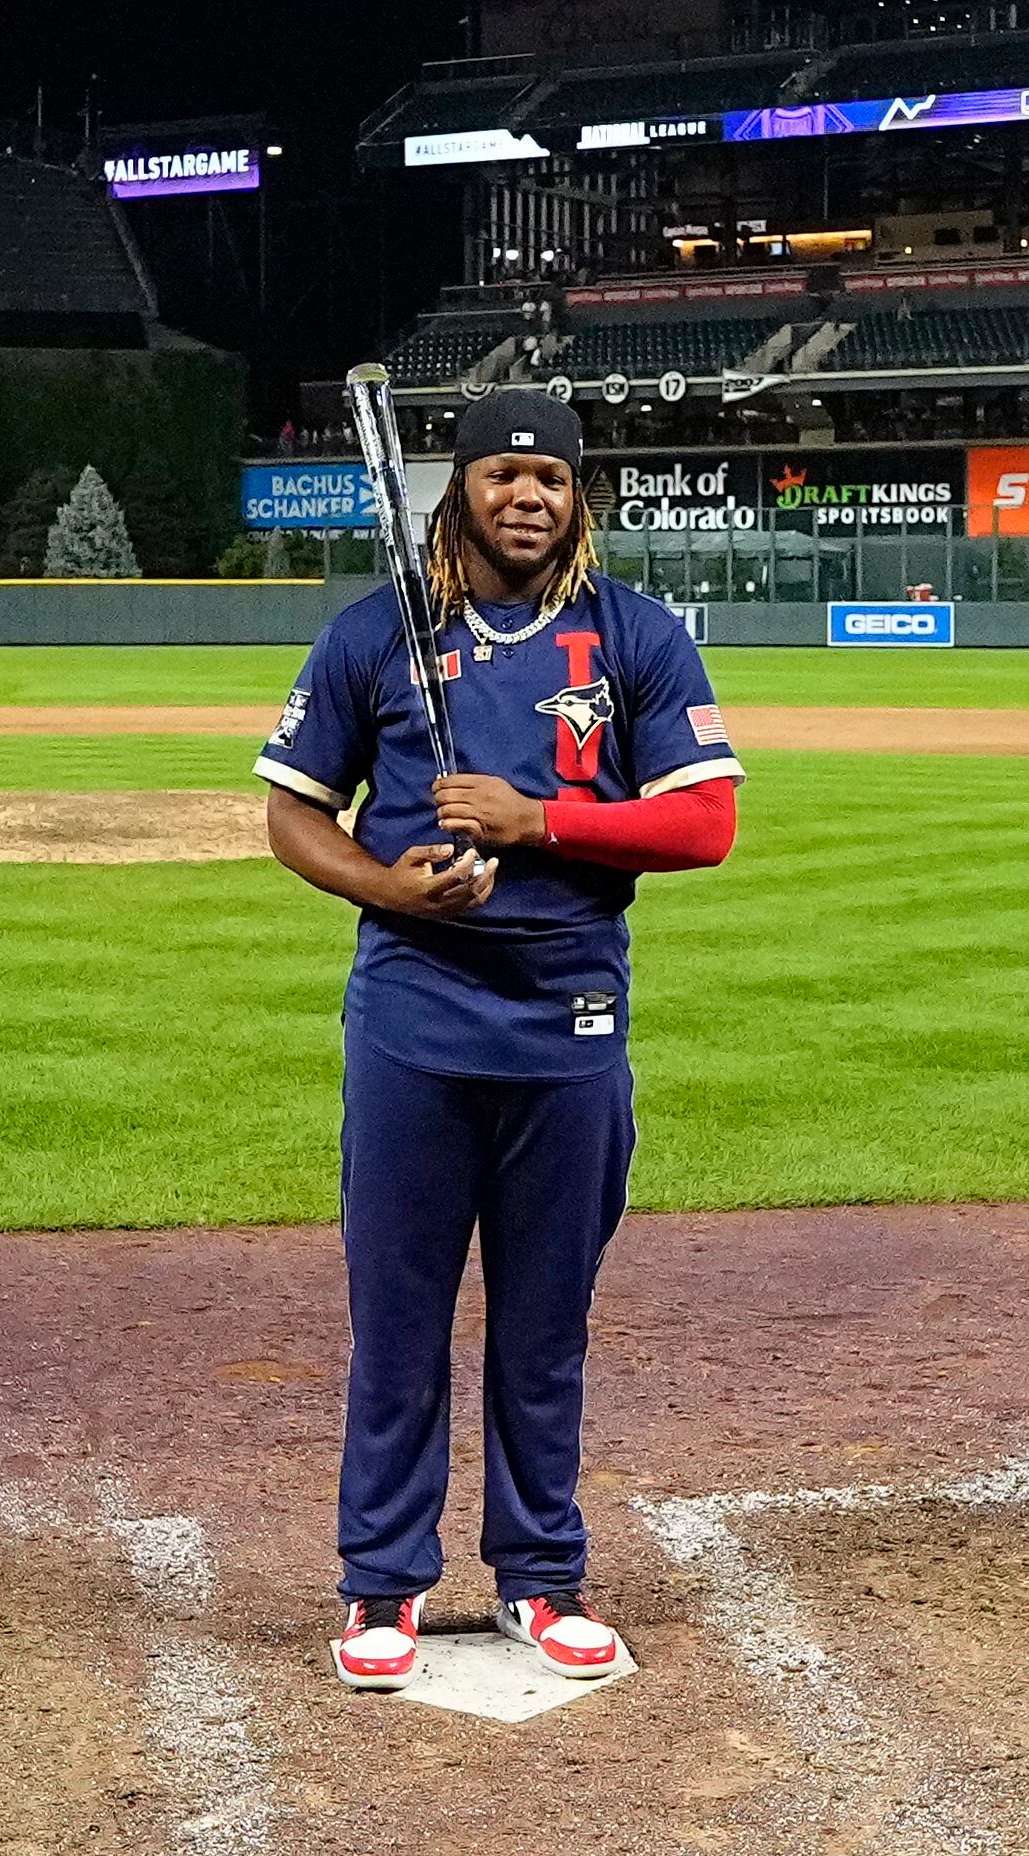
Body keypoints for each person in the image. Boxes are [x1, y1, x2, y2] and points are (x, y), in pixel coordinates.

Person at [255, 389, 743, 1692]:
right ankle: (381, 1585)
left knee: (544, 1326)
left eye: (551, 478)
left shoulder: (633, 638)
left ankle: (541, 1577)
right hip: (415, 1016)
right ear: (459, 490)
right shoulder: (372, 639)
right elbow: (291, 817)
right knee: (398, 1319)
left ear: (578, 498)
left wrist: (542, 825)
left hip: (569, 1019)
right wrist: (394, 888)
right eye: (502, 474)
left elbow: (705, 827)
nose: (527, 496)